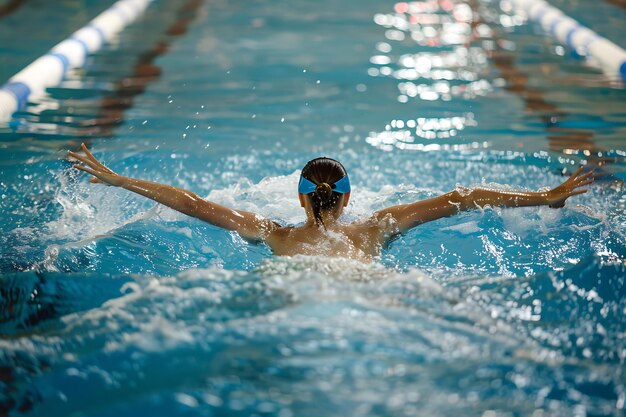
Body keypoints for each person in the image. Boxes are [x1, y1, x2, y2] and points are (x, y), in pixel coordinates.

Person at [69, 143, 593, 263]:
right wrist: (544, 197)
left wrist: (118, 179)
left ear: (300, 196)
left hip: (290, 290)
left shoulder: (270, 230)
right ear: (349, 200)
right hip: (369, 291)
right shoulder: (377, 227)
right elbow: (466, 197)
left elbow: (188, 201)